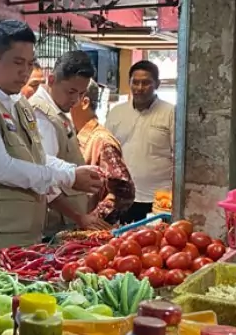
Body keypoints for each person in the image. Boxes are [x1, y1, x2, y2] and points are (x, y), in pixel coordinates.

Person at [0, 20, 103, 266]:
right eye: (18, 63)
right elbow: (1, 168)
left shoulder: (18, 103)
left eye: (30, 64)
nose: (25, 72)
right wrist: (69, 178)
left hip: (22, 237)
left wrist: (71, 170)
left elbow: (37, 158)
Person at [29, 50, 110, 234]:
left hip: (65, 222)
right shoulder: (41, 114)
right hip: (55, 224)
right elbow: (43, 178)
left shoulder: (56, 111)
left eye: (81, 93)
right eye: (71, 92)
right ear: (51, 80)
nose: (75, 100)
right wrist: (78, 216)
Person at [105, 60, 174, 224]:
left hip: (160, 200)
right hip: (123, 198)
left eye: (146, 83)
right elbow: (107, 154)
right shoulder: (116, 113)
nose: (139, 88)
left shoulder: (171, 113)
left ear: (157, 84)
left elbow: (179, 157)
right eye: (135, 82)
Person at [71, 80, 136, 224]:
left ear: (84, 102)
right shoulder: (73, 135)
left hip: (91, 236)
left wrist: (93, 219)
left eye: (70, 94)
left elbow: (124, 192)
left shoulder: (102, 141)